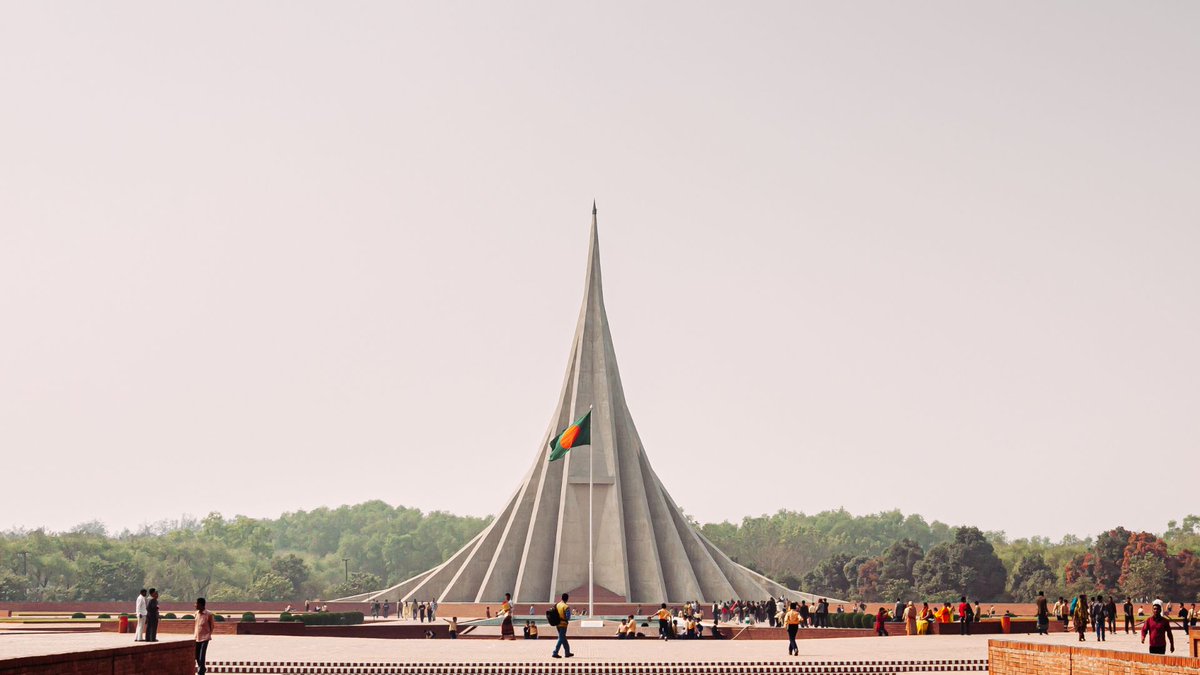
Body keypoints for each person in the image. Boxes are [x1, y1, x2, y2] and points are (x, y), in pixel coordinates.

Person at [194, 597, 215, 675]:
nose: (195, 605)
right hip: (197, 637)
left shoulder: (208, 614)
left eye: (196, 603)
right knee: (196, 655)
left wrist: (209, 634)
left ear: (200, 604)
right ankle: (202, 668)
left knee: (202, 656)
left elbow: (212, 625)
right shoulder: (196, 613)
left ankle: (201, 672)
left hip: (205, 637)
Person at [551, 592, 573, 658]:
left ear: (561, 598)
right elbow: (568, 617)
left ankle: (567, 652)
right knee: (561, 638)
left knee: (563, 638)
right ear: (567, 599)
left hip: (557, 624)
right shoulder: (566, 606)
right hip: (563, 624)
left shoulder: (557, 605)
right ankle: (555, 652)